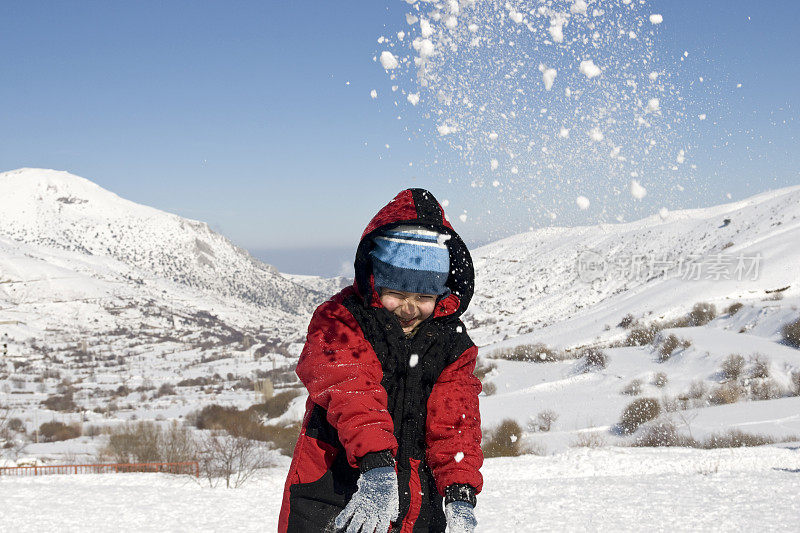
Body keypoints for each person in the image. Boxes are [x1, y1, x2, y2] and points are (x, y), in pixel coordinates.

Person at [278, 188, 483, 532]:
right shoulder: (342, 320)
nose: (409, 307)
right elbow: (351, 387)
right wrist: (376, 465)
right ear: (376, 280)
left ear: (441, 293)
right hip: (336, 485)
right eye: (397, 294)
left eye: (423, 296)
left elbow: (456, 423)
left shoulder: (451, 345)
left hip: (418, 500)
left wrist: (460, 491)